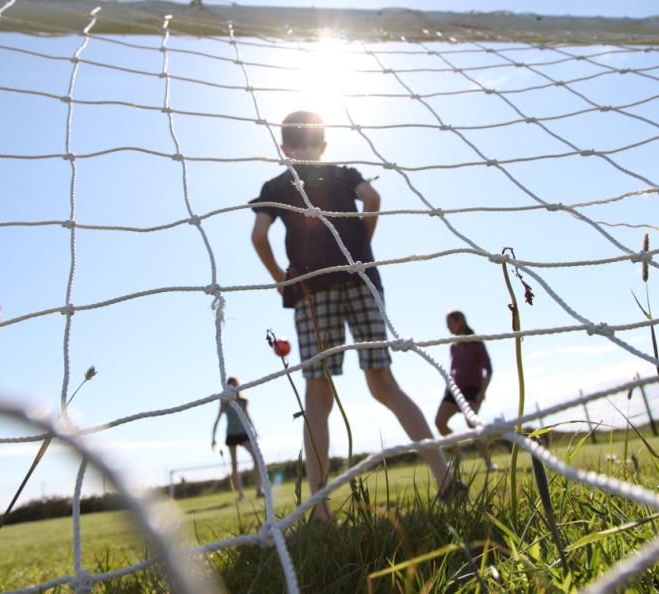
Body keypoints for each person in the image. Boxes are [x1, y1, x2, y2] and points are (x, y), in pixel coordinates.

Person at [250, 111, 456, 521]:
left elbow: (258, 235)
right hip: (361, 281)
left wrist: (280, 279)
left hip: (313, 289)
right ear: (323, 145)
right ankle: (445, 477)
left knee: (318, 395)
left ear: (284, 149)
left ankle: (321, 511)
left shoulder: (276, 185)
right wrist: (360, 247)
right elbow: (375, 199)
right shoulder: (344, 174)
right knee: (384, 384)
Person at [435, 310, 495, 470]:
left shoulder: (476, 341)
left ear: (460, 321)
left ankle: (489, 463)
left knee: (472, 423)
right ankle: (457, 454)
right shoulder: (453, 346)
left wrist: (482, 392)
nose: (447, 326)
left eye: (450, 322)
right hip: (454, 389)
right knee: (439, 422)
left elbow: (488, 370)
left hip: (472, 388)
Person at [211, 377, 265, 500]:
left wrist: (255, 431)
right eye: (231, 386)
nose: (233, 388)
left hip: (243, 434)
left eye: (235, 385)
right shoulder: (224, 402)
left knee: (257, 458)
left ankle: (259, 489)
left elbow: (248, 416)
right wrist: (213, 438)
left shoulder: (243, 401)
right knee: (234, 465)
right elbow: (217, 420)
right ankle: (241, 494)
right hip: (231, 435)